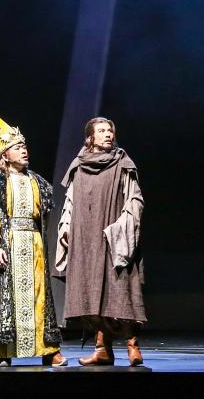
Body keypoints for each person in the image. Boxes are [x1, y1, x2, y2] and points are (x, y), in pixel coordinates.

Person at [0, 115, 65, 367]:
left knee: (40, 297)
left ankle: (49, 350)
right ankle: (5, 351)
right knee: (7, 299)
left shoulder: (37, 181)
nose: (24, 150)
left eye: (25, 146)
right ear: (5, 155)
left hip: (34, 244)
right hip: (9, 243)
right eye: (18, 147)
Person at [54, 117, 146, 366]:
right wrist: (66, 227)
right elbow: (70, 200)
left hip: (113, 236)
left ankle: (132, 345)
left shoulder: (122, 162)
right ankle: (102, 349)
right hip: (86, 238)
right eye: (102, 131)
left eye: (110, 131)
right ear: (90, 137)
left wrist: (122, 227)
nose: (108, 134)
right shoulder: (79, 165)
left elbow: (135, 199)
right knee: (92, 293)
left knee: (119, 289)